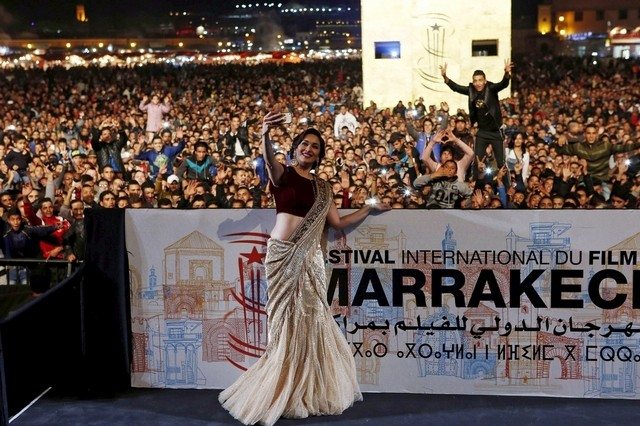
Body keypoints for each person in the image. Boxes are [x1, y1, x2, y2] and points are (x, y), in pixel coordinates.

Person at [219, 111, 390, 426]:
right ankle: (279, 387)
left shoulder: (324, 188)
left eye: (314, 147)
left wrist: (369, 208)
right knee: (283, 322)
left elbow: (337, 224)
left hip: (311, 260)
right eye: (304, 144)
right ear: (295, 147)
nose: (309, 149)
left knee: (309, 321)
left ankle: (303, 389)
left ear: (320, 154)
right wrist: (265, 134)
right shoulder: (282, 174)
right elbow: (269, 161)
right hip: (282, 255)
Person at [440, 59, 513, 179]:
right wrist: (445, 77)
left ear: (485, 81)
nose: (478, 83)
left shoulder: (491, 88)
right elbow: (457, 88)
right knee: (477, 162)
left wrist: (506, 74)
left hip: (495, 132)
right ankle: (475, 187)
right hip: (482, 132)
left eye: (480, 80)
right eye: (475, 81)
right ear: (473, 82)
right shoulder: (471, 90)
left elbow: (503, 84)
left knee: (501, 164)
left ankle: (507, 187)